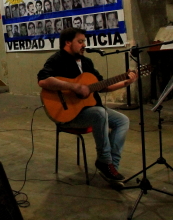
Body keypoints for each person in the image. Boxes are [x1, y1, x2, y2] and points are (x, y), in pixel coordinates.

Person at [37, 28, 137, 186]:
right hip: (68, 115)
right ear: (68, 43)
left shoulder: (86, 62)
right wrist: (74, 87)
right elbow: (43, 81)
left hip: (91, 111)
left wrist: (126, 82)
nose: (84, 45)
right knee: (99, 113)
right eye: (80, 41)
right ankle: (104, 161)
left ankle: (112, 168)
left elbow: (101, 86)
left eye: (85, 41)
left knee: (122, 120)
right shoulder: (56, 59)